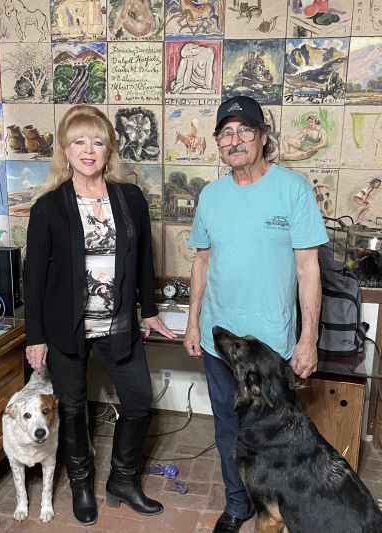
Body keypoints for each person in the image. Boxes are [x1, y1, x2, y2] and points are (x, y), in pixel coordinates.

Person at [24, 105, 177, 526]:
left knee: (139, 400)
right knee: (72, 410)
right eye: (79, 141)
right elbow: (33, 280)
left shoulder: (129, 198)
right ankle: (81, 485)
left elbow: (145, 259)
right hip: (64, 330)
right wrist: (34, 337)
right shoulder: (49, 208)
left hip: (119, 324)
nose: (88, 150)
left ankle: (123, 482)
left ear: (109, 149)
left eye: (97, 141)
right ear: (65, 150)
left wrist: (150, 312)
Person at [183, 95, 328, 533]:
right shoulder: (210, 195)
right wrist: (193, 322)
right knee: (229, 429)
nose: (235, 139)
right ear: (218, 144)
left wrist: (308, 339)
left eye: (245, 129)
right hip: (220, 342)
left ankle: (283, 508)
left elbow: (308, 267)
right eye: (226, 132)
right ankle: (238, 506)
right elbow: (202, 262)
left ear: (264, 137)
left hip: (271, 347)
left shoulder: (292, 188)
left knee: (279, 434)